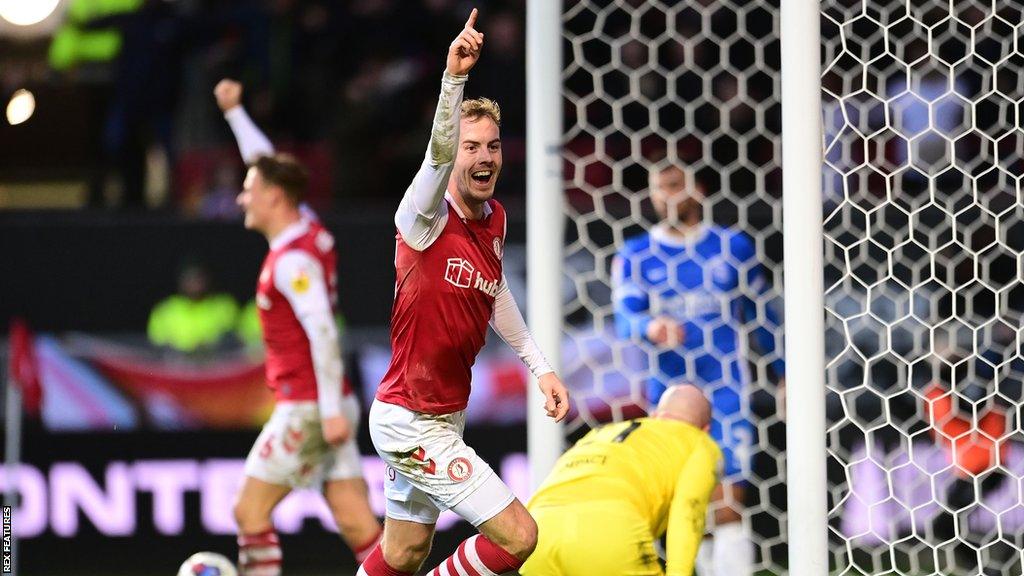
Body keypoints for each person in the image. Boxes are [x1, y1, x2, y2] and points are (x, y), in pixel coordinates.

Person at [356, 9, 570, 576]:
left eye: (494, 147)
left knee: (403, 552)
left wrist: (540, 367)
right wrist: (454, 81)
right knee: (519, 537)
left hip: (445, 414)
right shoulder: (422, 216)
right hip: (409, 418)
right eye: (472, 147)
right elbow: (435, 155)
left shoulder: (494, 219)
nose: (485, 158)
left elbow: (494, 293)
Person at [612, 164, 785, 575]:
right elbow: (624, 318)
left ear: (697, 190)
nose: (663, 197)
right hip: (669, 395)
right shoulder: (635, 254)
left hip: (726, 390)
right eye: (657, 189)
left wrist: (784, 374)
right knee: (687, 506)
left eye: (673, 186)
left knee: (726, 503)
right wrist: (650, 326)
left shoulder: (732, 247)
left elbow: (763, 317)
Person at [231, 153, 382, 574]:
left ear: (275, 197)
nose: (242, 198)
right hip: (329, 403)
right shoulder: (310, 232)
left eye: (249, 190)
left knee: (249, 511)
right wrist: (233, 113)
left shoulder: (292, 263)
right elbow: (265, 160)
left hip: (310, 408)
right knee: (358, 523)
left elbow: (325, 333)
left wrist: (329, 411)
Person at [521, 384, 721, 576]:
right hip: (607, 531)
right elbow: (688, 512)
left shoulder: (601, 432)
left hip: (538, 531)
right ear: (705, 429)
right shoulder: (700, 443)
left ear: (655, 415)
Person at [147, 261, 239, 353]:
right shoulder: (164, 310)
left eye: (198, 277)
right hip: (177, 364)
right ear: (180, 280)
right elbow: (157, 350)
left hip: (216, 363)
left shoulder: (225, 306)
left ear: (207, 278)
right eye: (189, 278)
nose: (194, 283)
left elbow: (237, 341)